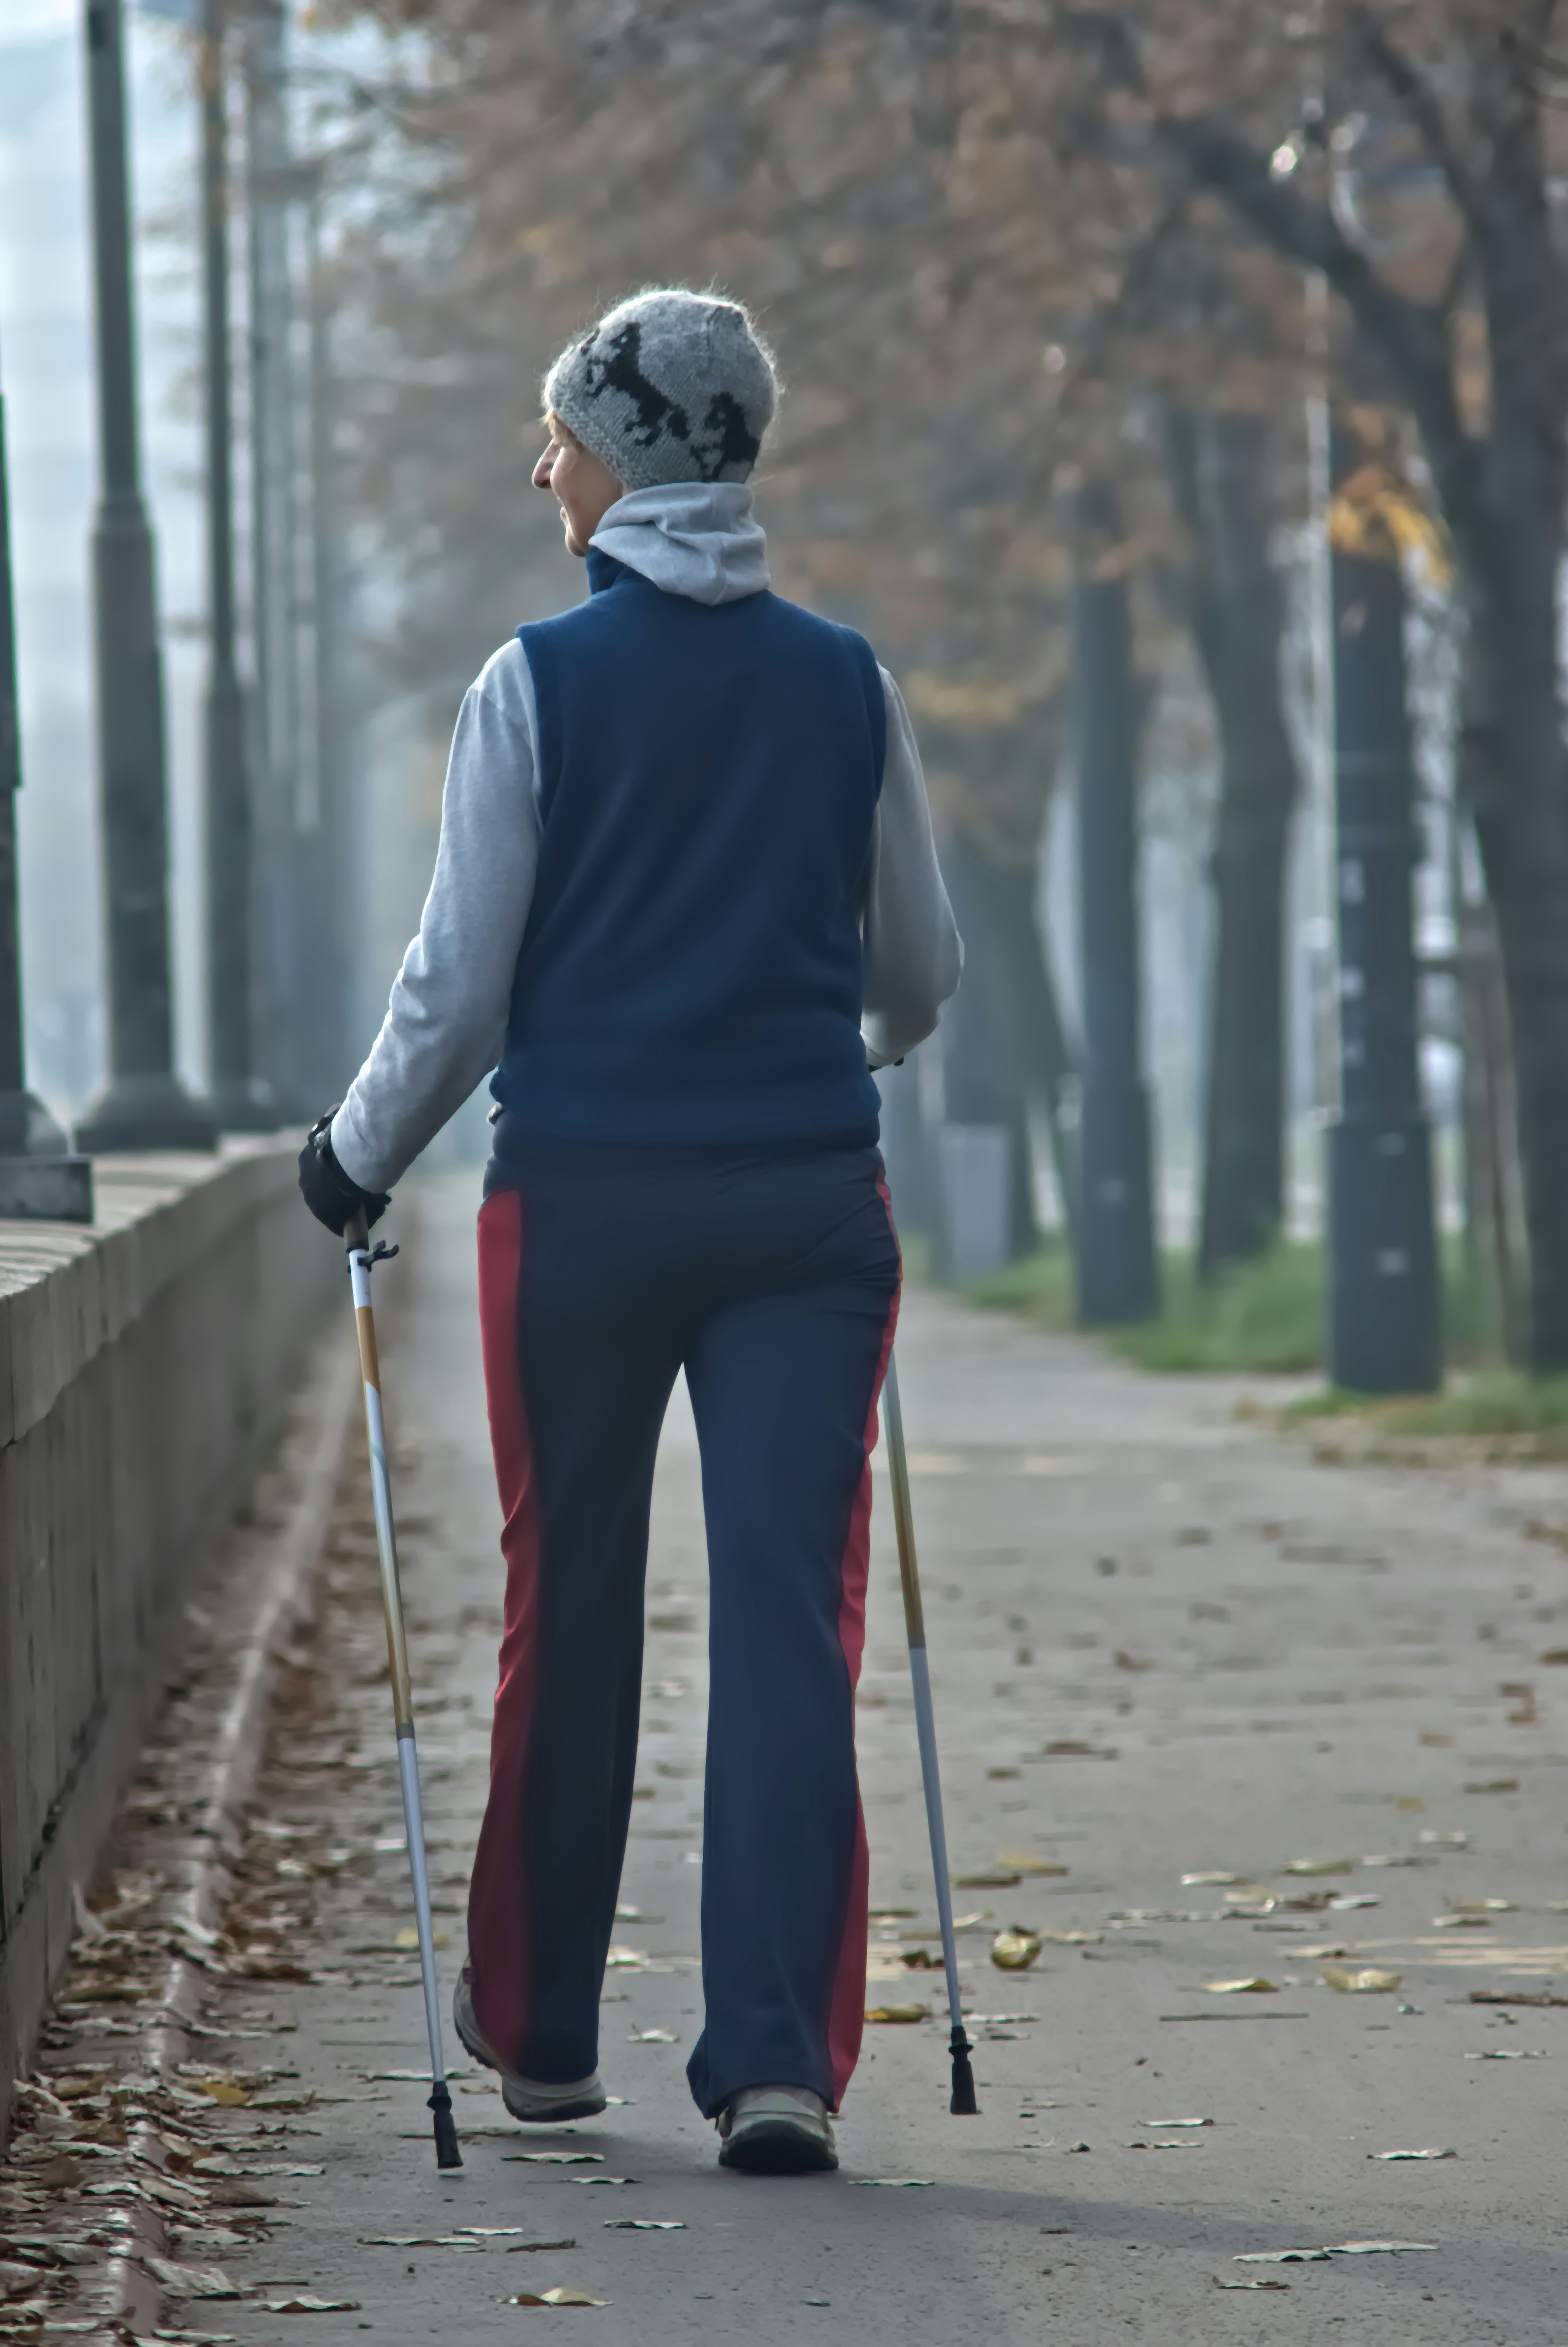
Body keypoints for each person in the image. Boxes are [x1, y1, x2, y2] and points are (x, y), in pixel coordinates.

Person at [299, 287, 961, 2174]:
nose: (542, 465)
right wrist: (850, 1045)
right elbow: (915, 966)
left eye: (563, 435)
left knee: (566, 1607)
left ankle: (540, 2032)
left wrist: (349, 1161)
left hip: (582, 1207)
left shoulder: (536, 686)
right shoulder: (849, 684)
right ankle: (775, 2067)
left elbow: (456, 991)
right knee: (785, 1621)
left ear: (630, 457)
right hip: (806, 1212)